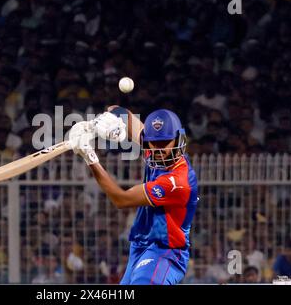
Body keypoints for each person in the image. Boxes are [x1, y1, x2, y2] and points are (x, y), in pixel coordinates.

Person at [69, 108, 199, 285]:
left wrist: (89, 156)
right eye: (154, 143)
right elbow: (121, 112)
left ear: (179, 140)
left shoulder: (178, 181)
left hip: (166, 252)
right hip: (139, 247)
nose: (159, 149)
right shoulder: (153, 148)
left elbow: (121, 199)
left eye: (165, 143)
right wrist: (99, 124)